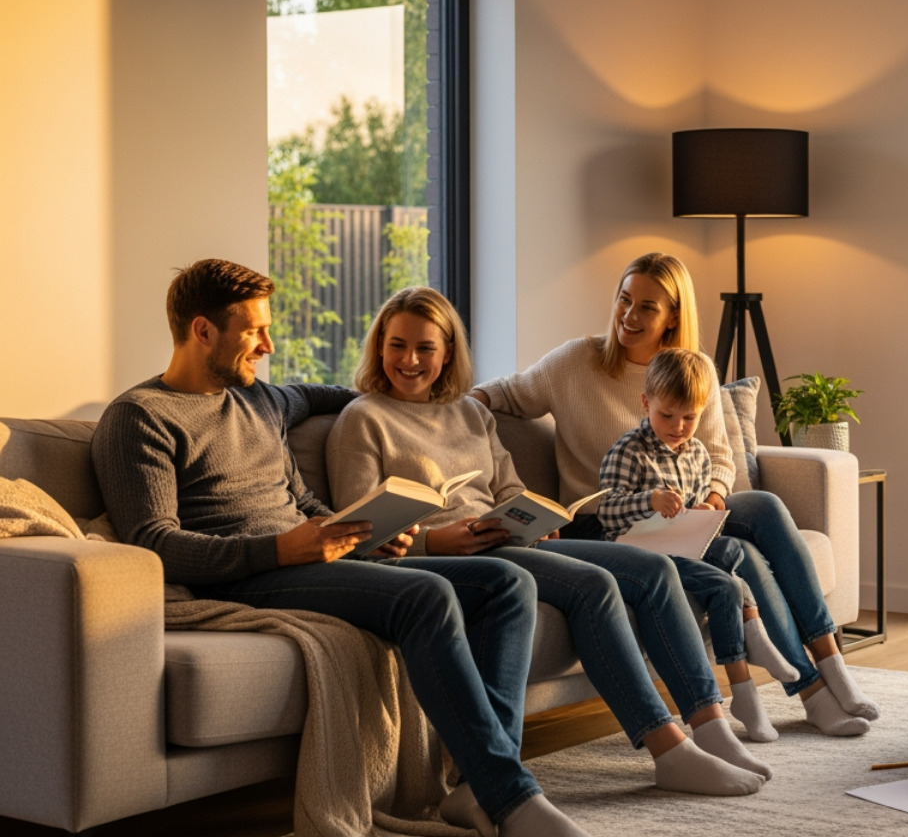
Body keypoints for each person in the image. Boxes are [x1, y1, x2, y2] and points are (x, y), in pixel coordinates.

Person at [90, 259, 589, 837]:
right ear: (203, 331)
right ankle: (512, 799)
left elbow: (328, 428)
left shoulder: (263, 401)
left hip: (308, 554)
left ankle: (478, 787)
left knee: (507, 584)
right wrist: (281, 549)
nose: (268, 343)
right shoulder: (139, 418)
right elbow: (153, 544)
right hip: (244, 574)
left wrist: (362, 529)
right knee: (425, 596)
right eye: (254, 331)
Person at [324, 286, 769, 811]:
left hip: (500, 542)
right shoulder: (362, 419)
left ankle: (707, 722)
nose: (410, 360)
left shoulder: (471, 414)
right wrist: (434, 539)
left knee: (648, 569)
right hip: (446, 556)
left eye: (426, 348)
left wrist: (531, 518)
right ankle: (666, 747)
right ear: (379, 348)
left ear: (447, 354)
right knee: (594, 584)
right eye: (397, 345)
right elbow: (359, 535)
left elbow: (509, 488)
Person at [472, 252, 879, 737]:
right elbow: (503, 393)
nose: (629, 315)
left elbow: (720, 456)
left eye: (647, 306)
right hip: (612, 521)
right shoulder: (576, 362)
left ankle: (832, 665)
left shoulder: (695, 369)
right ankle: (811, 691)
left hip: (685, 509)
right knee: (743, 552)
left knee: (765, 507)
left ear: (673, 317)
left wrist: (711, 496)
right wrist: (454, 410)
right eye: (624, 299)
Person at [597, 347, 802, 742]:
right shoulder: (628, 451)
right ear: (646, 403)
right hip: (640, 553)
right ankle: (743, 687)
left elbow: (696, 510)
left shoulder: (696, 453)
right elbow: (605, 511)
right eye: (666, 415)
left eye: (690, 417)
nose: (678, 426)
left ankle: (753, 630)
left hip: (683, 546)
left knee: (733, 551)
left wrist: (705, 511)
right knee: (723, 586)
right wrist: (650, 500)